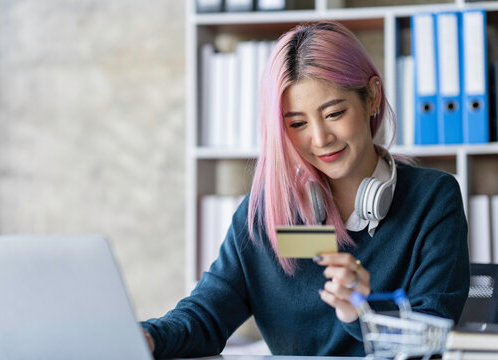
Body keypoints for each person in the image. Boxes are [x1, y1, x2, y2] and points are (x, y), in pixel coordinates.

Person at [141, 20, 469, 358]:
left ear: (372, 97)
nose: (320, 139)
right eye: (297, 124)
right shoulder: (267, 209)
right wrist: (146, 337)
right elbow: (205, 316)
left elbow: (430, 340)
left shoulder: (433, 199)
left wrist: (363, 313)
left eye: (334, 113)